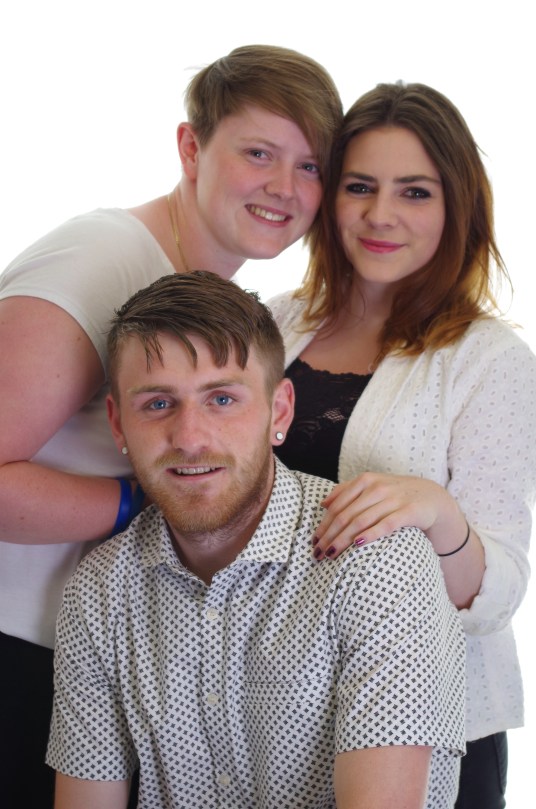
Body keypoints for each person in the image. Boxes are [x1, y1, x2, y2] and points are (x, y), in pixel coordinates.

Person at [0, 45, 343, 809]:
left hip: (84, 657)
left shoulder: (201, 289)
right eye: (259, 153)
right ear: (191, 148)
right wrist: (144, 501)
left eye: (312, 166)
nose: (284, 188)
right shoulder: (105, 259)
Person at [46, 271, 465, 809]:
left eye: (221, 399)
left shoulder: (378, 561)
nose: (190, 438)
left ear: (280, 411)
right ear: (119, 425)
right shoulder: (100, 592)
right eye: (157, 404)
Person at [269, 82, 536, 809]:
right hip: (280, 709)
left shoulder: (489, 359)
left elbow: (498, 594)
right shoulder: (272, 324)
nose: (381, 215)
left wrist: (436, 510)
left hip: (431, 726)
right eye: (360, 186)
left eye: (415, 192)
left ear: (458, 207)